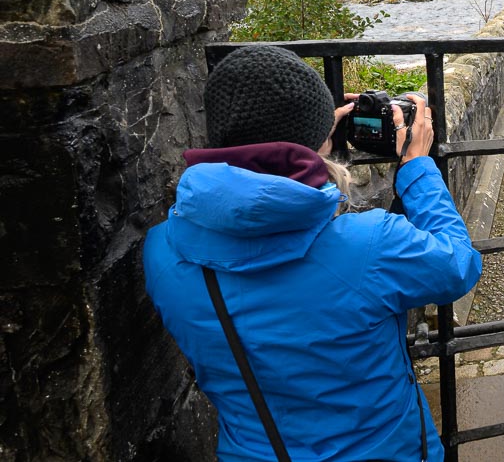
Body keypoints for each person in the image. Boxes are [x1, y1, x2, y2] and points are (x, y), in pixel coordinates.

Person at [144, 45, 481, 461]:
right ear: (317, 142)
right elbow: (459, 265)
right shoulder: (370, 244)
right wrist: (416, 166)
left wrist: (314, 134)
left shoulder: (162, 252)